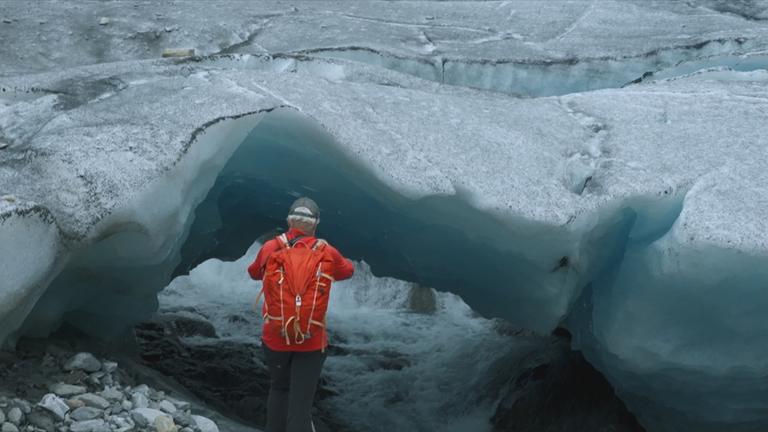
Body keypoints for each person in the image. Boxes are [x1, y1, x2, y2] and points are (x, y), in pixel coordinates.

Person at [247, 197, 354, 432]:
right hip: (311, 340)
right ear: (315, 224)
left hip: (275, 335)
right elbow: (347, 271)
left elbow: (254, 273)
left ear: (288, 221)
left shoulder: (270, 247)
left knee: (278, 389)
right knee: (301, 404)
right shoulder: (326, 251)